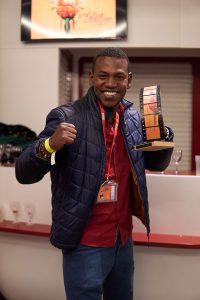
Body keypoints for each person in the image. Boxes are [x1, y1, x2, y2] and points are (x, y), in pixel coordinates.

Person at [15, 47, 174, 300]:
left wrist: (163, 136)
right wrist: (50, 145)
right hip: (84, 243)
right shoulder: (66, 116)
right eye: (103, 75)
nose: (110, 83)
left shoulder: (133, 118)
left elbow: (157, 164)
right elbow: (24, 173)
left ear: (129, 80)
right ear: (91, 77)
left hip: (122, 241)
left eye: (119, 76)